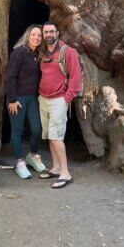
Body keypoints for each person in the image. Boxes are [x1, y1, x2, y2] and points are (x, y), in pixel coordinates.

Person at [38, 21, 83, 189]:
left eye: (51, 32)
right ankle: (56, 168)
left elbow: (75, 78)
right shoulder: (43, 52)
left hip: (59, 100)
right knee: (50, 135)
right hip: (44, 98)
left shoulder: (67, 52)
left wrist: (67, 98)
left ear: (57, 33)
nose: (48, 35)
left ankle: (65, 173)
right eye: (46, 32)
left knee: (56, 136)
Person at [6, 24, 47, 179]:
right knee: (17, 131)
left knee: (37, 129)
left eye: (39, 35)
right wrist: (12, 99)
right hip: (17, 99)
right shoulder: (19, 52)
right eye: (34, 34)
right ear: (28, 35)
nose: (36, 38)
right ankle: (19, 163)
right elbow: (10, 77)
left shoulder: (36, 55)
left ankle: (33, 155)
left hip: (32, 99)